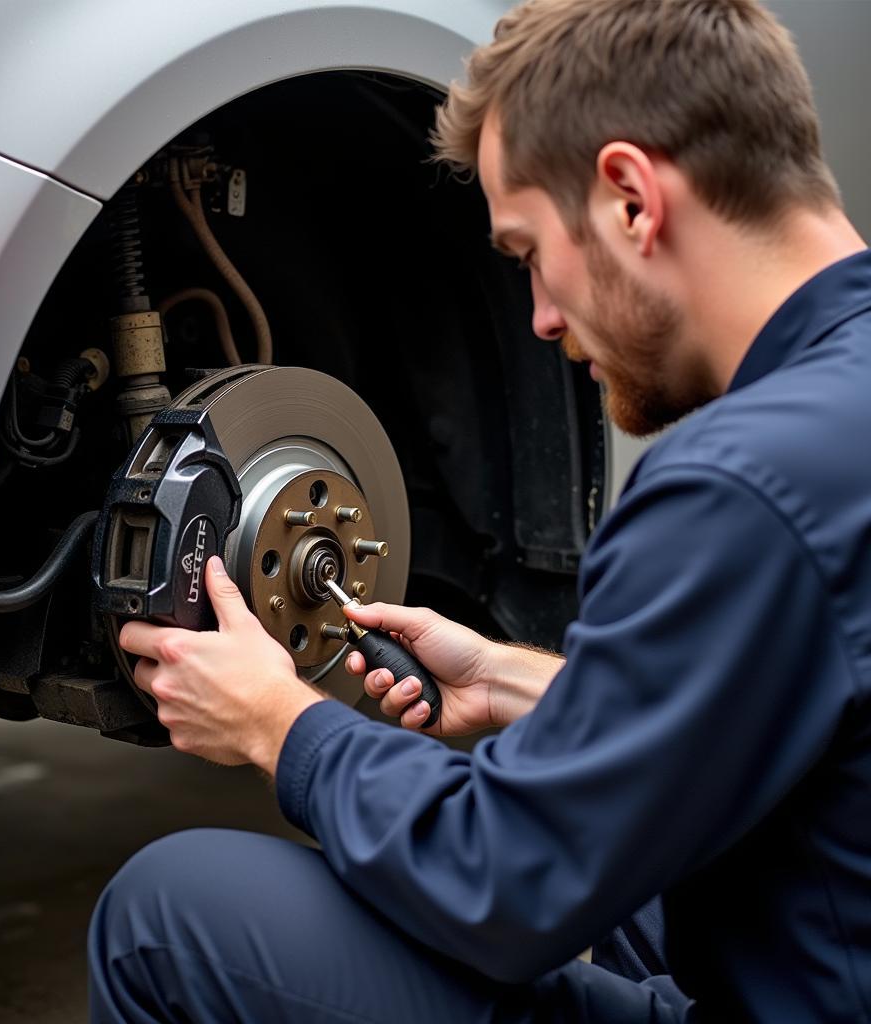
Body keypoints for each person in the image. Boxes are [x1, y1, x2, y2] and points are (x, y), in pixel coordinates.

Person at [88, 0, 871, 1020]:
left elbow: (506, 885)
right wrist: (523, 683)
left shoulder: (736, 488)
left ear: (631, 198)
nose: (540, 317)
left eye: (526, 254)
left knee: (168, 912)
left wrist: (282, 722)